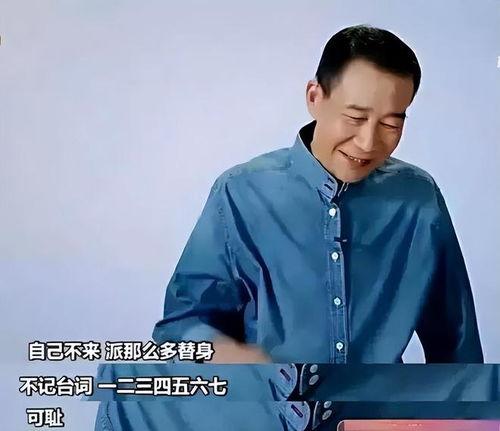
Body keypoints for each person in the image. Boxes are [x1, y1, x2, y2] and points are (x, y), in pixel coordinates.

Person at [152, 24, 483, 364]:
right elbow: (183, 325)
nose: (368, 142)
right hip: (266, 398)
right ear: (314, 97)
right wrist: (231, 358)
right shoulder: (240, 193)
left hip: (379, 399)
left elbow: (457, 345)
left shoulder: (418, 198)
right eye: (355, 117)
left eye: (390, 124)